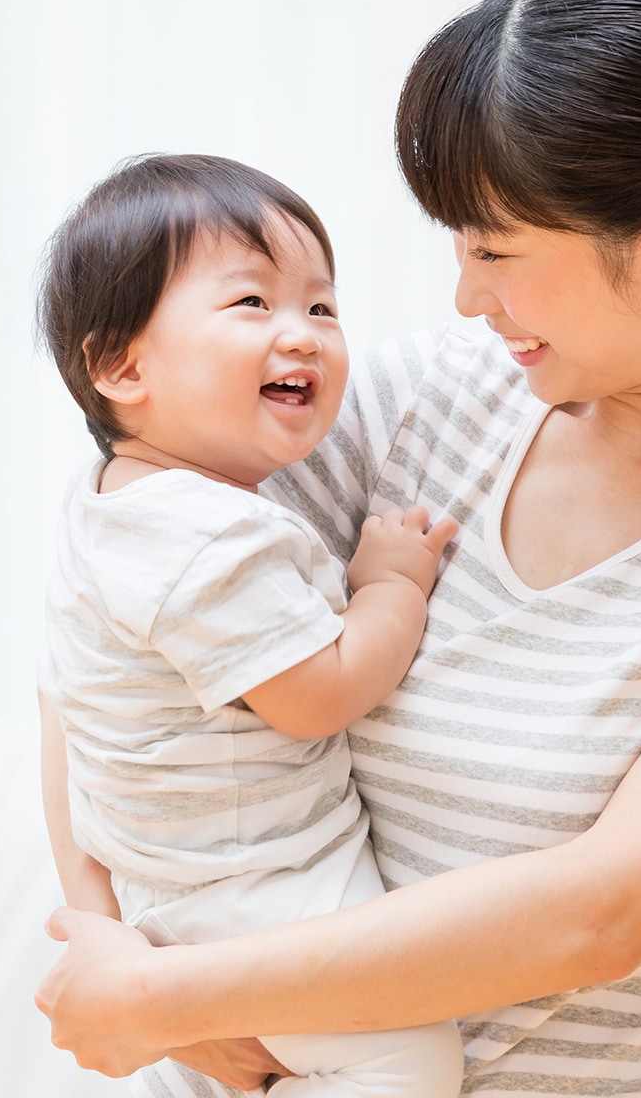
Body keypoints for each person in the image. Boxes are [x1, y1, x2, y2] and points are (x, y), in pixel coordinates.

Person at [33, 0, 641, 1098]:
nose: (466, 293)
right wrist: (111, 945)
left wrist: (174, 995)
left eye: (495, 247)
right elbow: (118, 609)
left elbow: (605, 911)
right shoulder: (420, 404)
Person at [36, 153, 465, 1096]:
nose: (303, 336)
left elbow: (56, 698)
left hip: (165, 903)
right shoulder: (210, 534)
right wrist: (391, 584)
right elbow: (319, 695)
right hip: (260, 893)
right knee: (409, 1054)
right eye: (251, 305)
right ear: (120, 365)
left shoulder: (103, 507)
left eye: (321, 307)